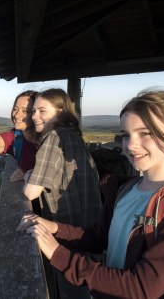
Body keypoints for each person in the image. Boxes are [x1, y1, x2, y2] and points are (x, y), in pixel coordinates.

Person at [18, 88, 164, 299]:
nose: (131, 145)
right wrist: (53, 227)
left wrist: (59, 254)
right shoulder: (125, 190)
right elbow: (99, 238)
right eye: (126, 135)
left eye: (146, 133)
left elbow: (141, 287)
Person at [23, 88, 102, 299]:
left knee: (72, 291)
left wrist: (27, 175)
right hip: (89, 230)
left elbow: (31, 192)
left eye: (42, 111)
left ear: (60, 111)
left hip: (67, 230)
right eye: (33, 111)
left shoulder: (53, 138)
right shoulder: (73, 136)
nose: (34, 116)